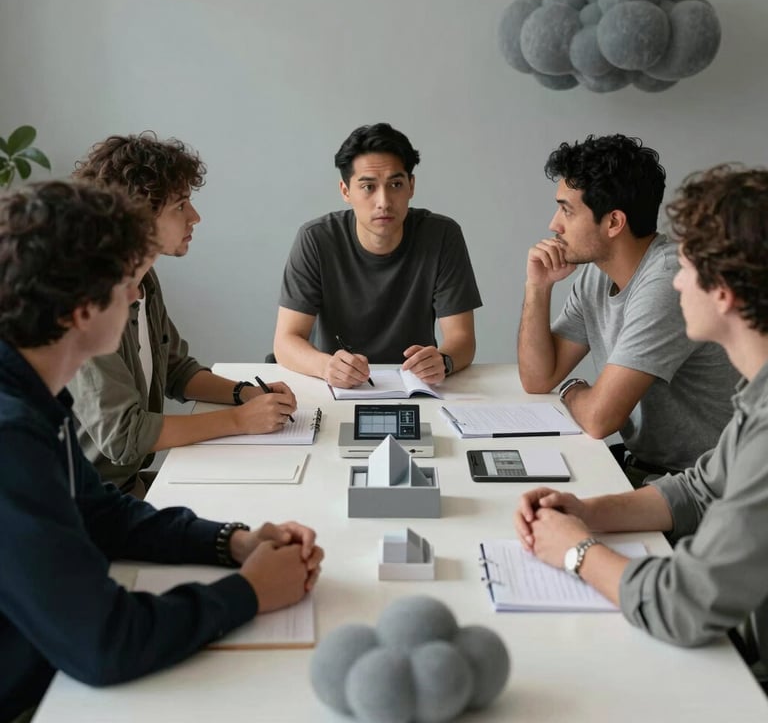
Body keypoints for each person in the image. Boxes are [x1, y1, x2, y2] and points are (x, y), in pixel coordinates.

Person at [0, 181, 323, 723]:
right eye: (126, 281)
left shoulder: (32, 391)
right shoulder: (10, 435)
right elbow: (103, 642)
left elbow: (99, 510)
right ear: (81, 310)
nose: (135, 295)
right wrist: (248, 594)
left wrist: (233, 542)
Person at [515, 164, 768, 686]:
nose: (676, 278)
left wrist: (576, 551)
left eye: (687, 265)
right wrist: (585, 512)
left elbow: (684, 603)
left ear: (723, 294)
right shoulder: (756, 397)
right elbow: (699, 489)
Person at [69, 133, 297, 496]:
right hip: (91, 503)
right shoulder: (90, 303)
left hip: (127, 485)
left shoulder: (145, 281)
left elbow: (176, 369)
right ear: (137, 217)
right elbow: (124, 436)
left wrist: (245, 394)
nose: (195, 217)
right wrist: (239, 421)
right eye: (180, 205)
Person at [517, 134, 738, 487]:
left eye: (567, 210)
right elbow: (537, 378)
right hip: (645, 467)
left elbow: (600, 419)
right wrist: (538, 287)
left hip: (702, 486)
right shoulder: (595, 275)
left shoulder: (667, 283)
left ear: (614, 222)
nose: (554, 225)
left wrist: (571, 387)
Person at [273, 122, 482, 389]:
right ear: (346, 191)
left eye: (395, 184)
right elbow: (286, 341)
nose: (384, 201)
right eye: (368, 187)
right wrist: (326, 367)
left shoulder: (442, 235)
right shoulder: (316, 239)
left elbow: (462, 339)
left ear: (411, 186)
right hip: (338, 387)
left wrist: (443, 360)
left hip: (415, 386)